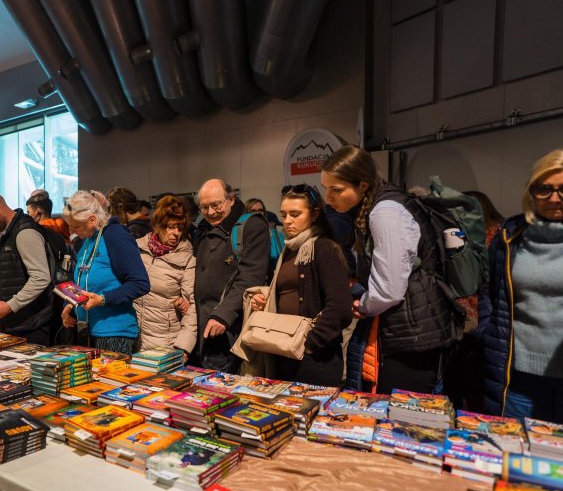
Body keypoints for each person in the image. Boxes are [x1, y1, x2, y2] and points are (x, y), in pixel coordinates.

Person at [321, 145, 458, 394]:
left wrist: (362, 304)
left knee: (398, 418)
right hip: (411, 326)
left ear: (363, 184)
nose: (328, 198)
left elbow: (389, 290)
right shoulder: (381, 204)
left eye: (336, 189)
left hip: (412, 334)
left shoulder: (385, 212)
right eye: (325, 188)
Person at [241, 185, 353, 386]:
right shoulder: (289, 249)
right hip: (283, 351)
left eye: (295, 214)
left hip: (314, 358)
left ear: (314, 214)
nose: (287, 221)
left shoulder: (324, 248)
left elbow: (340, 307)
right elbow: (289, 290)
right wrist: (267, 300)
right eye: (284, 215)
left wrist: (309, 343)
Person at [481, 149, 563, 421]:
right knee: (516, 458)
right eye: (545, 189)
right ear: (532, 192)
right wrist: (487, 332)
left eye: (562, 189)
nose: (554, 198)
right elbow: (490, 294)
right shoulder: (509, 237)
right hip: (516, 376)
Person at [193, 179, 270, 372]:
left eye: (216, 205)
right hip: (200, 329)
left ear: (231, 200)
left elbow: (251, 276)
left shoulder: (251, 226)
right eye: (204, 207)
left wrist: (223, 316)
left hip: (230, 329)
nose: (210, 212)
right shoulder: (202, 229)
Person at [60, 190, 150, 353]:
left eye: (76, 226)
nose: (72, 231)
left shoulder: (115, 235)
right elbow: (82, 282)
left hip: (115, 334)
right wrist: (69, 305)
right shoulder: (86, 240)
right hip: (86, 331)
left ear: (92, 220)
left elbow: (140, 283)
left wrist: (102, 299)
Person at [0, 192, 54, 345]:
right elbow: (4, 273)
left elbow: (41, 277)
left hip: (32, 325)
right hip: (15, 322)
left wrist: (10, 306)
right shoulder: (5, 233)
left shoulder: (25, 232)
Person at [134, 196, 197, 357]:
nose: (176, 233)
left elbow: (192, 308)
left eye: (180, 228)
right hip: (133, 338)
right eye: (170, 227)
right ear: (157, 225)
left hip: (165, 343)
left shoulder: (187, 258)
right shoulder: (138, 248)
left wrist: (183, 348)